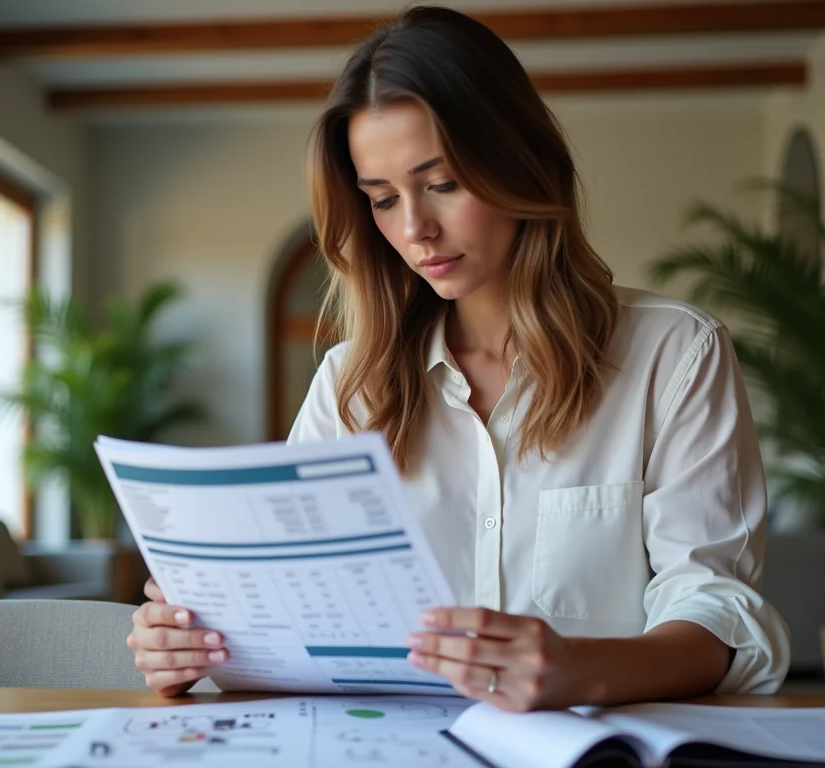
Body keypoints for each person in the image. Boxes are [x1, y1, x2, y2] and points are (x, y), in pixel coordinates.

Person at [127, 5, 790, 711]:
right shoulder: (350, 386)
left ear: (520, 162)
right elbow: (295, 613)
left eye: (441, 184)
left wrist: (581, 670)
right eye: (383, 199)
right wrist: (193, 644)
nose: (415, 229)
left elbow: (718, 609)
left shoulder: (674, 354)